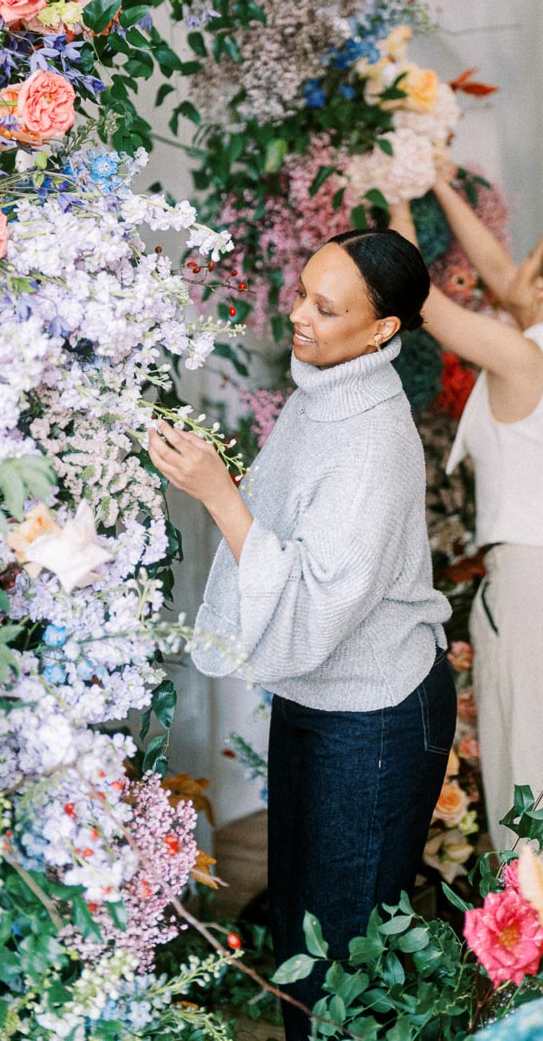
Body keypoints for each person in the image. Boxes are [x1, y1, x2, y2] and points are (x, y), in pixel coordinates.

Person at [148, 229, 455, 1041]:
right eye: (301, 293)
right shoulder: (322, 392)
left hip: (377, 717)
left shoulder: (374, 439)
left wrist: (219, 495)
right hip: (319, 698)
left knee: (342, 962)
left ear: (383, 328)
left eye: (326, 306)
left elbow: (319, 599)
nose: (300, 316)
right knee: (301, 936)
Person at [390, 174, 543, 846]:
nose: (514, 264)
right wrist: (437, 181)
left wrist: (392, 195)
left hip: (537, 592)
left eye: (531, 261)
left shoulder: (522, 356)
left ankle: (538, 936)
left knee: (533, 777)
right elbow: (502, 277)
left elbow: (417, 298)